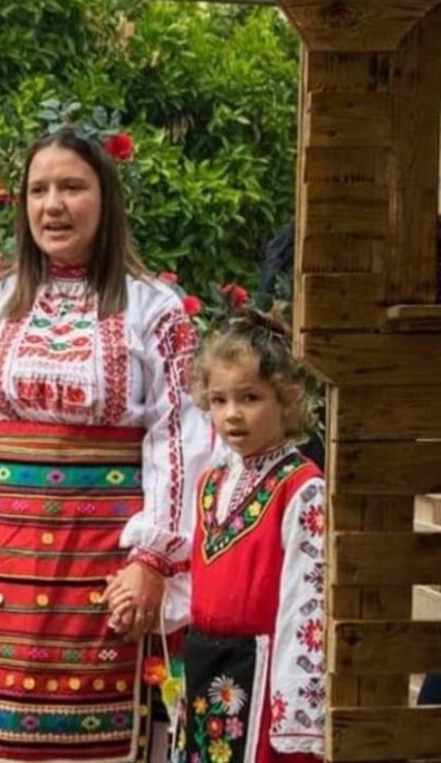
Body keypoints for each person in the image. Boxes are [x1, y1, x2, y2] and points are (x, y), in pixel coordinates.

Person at [0, 129, 215, 763]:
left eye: (72, 187)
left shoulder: (153, 309)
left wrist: (153, 556)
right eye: (38, 189)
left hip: (106, 553)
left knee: (99, 734)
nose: (52, 204)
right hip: (0, 557)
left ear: (106, 200)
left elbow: (181, 437)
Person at [176, 314, 326, 762]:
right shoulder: (211, 481)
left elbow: (308, 604)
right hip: (207, 666)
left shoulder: (301, 488)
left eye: (250, 398)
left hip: (263, 672)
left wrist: (295, 713)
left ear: (288, 399)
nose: (232, 414)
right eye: (218, 401)